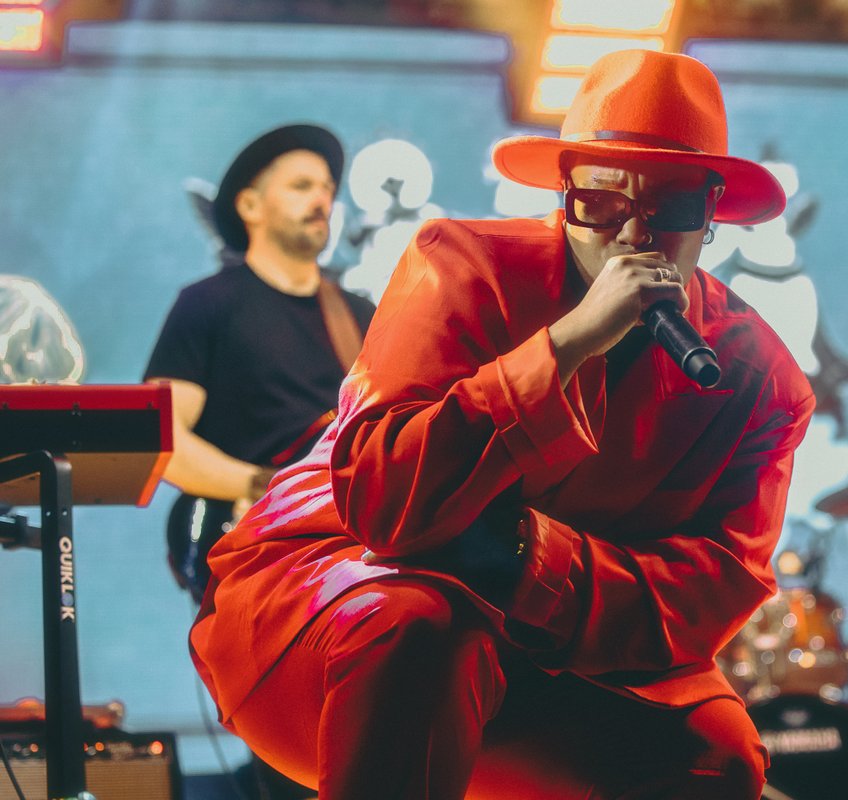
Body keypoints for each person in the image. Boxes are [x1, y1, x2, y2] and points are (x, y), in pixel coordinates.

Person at [190, 50, 815, 799]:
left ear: (711, 214)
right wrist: (568, 343)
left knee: (721, 753)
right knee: (423, 627)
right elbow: (385, 506)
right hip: (337, 603)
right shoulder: (462, 267)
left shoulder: (763, 382)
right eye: (604, 201)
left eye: (673, 206)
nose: (635, 234)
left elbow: (708, 593)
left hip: (559, 654)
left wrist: (527, 559)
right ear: (564, 199)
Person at [144, 124, 375, 798]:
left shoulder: (360, 315)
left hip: (355, 544)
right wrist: (259, 485)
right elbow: (160, 439)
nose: (321, 201)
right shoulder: (207, 306)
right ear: (249, 205)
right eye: (302, 186)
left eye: (328, 190)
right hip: (260, 545)